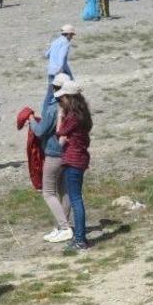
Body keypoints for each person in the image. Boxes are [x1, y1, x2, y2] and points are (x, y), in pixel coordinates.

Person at [33, 72, 72, 242]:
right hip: (69, 153)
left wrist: (30, 120)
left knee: (48, 192)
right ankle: (61, 226)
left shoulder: (52, 108)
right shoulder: (75, 106)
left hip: (54, 153)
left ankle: (64, 227)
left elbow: (41, 131)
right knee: (64, 191)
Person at [54, 80, 92, 251]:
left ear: (69, 98)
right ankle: (80, 238)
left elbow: (60, 132)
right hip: (80, 158)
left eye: (62, 98)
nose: (61, 101)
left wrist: (61, 116)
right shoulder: (83, 115)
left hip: (73, 159)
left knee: (76, 200)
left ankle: (80, 239)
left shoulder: (72, 117)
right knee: (77, 198)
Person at [44, 25, 75, 103]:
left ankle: (46, 110)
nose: (72, 37)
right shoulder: (66, 43)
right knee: (70, 89)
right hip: (60, 71)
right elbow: (62, 57)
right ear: (68, 34)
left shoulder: (55, 41)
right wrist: (60, 69)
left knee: (50, 93)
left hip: (51, 70)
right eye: (71, 35)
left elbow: (46, 54)